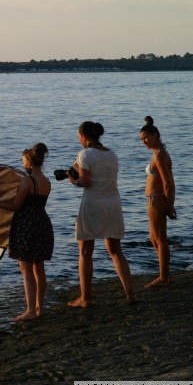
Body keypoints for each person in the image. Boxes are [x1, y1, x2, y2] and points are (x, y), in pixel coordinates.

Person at [0, 143, 54, 321]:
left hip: (26, 226)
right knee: (39, 268)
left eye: (24, 162)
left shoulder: (27, 181)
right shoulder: (46, 182)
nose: (23, 165)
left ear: (29, 163)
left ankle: (30, 310)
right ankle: (39, 308)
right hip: (42, 224)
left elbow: (16, 205)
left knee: (26, 268)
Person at [67, 122, 135, 308]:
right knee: (115, 251)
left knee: (86, 252)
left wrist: (73, 180)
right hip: (113, 203)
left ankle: (85, 298)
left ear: (84, 136)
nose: (78, 140)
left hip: (93, 204)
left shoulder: (85, 154)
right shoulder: (112, 154)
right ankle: (130, 294)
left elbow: (86, 181)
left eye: (79, 136)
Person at [140, 116, 176, 288]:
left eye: (146, 138)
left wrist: (170, 205)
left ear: (155, 135)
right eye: (142, 139)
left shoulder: (160, 155)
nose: (144, 142)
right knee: (153, 239)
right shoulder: (157, 153)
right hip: (153, 199)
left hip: (157, 199)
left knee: (160, 239)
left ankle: (164, 277)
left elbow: (168, 183)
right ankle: (164, 273)